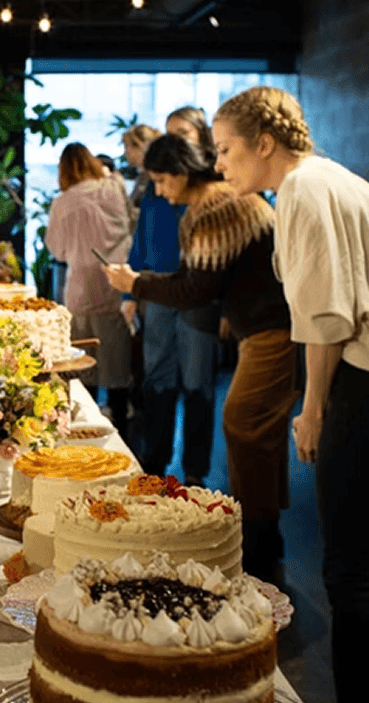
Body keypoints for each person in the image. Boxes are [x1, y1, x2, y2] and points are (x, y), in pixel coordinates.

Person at [213, 86, 369, 703]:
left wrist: (311, 408)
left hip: (361, 381)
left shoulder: (303, 189)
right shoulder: (333, 175)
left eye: (225, 150)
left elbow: (326, 314)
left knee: (349, 567)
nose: (221, 167)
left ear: (263, 143)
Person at [105, 133, 297, 581]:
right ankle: (264, 536)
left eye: (159, 180)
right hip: (263, 327)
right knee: (253, 430)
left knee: (244, 424)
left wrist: (136, 284)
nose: (157, 191)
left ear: (178, 173)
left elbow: (196, 288)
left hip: (272, 329)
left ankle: (260, 543)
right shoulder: (213, 203)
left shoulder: (215, 205)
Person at [122, 109, 219, 487]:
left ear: (200, 136)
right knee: (156, 378)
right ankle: (155, 462)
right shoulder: (156, 181)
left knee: (198, 382)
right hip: (157, 286)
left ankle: (196, 470)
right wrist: (130, 285)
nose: (173, 141)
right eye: (169, 134)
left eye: (182, 133)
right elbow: (143, 234)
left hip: (197, 289)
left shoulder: (211, 184)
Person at [45, 143, 134, 438]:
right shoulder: (114, 188)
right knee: (118, 359)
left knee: (84, 361)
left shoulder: (64, 202)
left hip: (81, 286)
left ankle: (86, 428)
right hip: (119, 280)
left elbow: (56, 250)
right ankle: (123, 425)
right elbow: (130, 224)